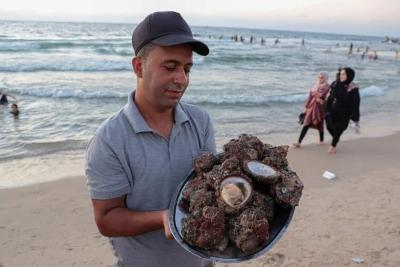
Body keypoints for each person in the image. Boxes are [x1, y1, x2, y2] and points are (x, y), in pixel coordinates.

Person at [85, 11, 216, 267]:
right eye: (170, 67)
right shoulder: (109, 140)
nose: (182, 79)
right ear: (138, 66)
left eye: (187, 68)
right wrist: (163, 218)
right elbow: (106, 219)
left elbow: (210, 184)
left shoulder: (200, 121)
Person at [325, 68, 360, 154]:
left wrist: (354, 116)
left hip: (345, 112)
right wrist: (326, 108)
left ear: (349, 75)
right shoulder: (335, 83)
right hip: (332, 110)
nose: (341, 76)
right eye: (341, 74)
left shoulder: (353, 87)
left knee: (338, 129)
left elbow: (356, 102)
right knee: (329, 127)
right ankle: (336, 139)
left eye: (344, 74)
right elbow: (329, 96)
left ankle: (333, 146)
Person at [293, 72, 330, 148]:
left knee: (320, 124)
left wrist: (323, 101)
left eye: (322, 77)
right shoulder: (314, 86)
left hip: (320, 107)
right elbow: (310, 97)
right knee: (306, 123)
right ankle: (299, 142)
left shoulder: (328, 87)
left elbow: (328, 98)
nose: (320, 79)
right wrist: (305, 108)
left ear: (325, 78)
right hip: (311, 107)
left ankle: (321, 140)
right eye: (319, 77)